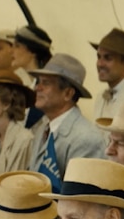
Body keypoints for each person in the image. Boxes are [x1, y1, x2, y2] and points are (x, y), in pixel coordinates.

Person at [28, 54, 103, 192]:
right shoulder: (42, 130)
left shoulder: (86, 138)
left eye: (46, 83)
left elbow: (81, 198)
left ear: (68, 93)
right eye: (38, 82)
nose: (37, 88)